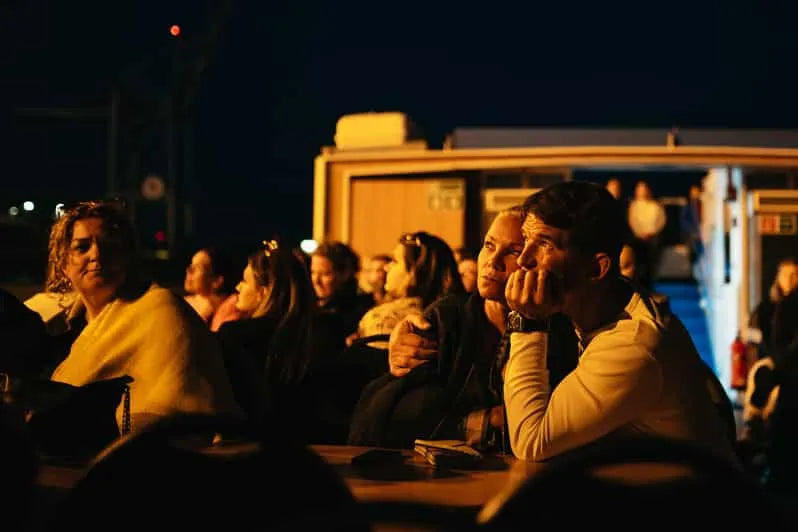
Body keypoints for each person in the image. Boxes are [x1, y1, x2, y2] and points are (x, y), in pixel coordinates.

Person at [502, 181, 737, 463]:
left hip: (690, 504)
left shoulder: (633, 344)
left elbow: (531, 441)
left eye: (543, 244)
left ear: (596, 268)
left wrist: (528, 321)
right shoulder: (602, 310)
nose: (523, 260)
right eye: (525, 242)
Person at [348, 208, 578, 449]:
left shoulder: (564, 328)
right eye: (489, 245)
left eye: (513, 251)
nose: (493, 261)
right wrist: (486, 421)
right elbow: (398, 411)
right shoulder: (447, 317)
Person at [46, 200, 240, 433]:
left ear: (127, 255)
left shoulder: (161, 310)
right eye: (82, 247)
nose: (97, 254)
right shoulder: (61, 324)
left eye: (109, 244)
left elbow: (185, 415)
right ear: (64, 264)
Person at [216, 240, 320, 437]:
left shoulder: (235, 336)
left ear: (264, 292)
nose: (238, 287)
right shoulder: (310, 334)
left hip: (244, 444)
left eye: (245, 281)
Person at [353, 232, 463, 343]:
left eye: (395, 261)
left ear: (413, 274)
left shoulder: (385, 320)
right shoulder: (452, 317)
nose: (387, 267)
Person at [311, 241, 374, 353]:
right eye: (313, 272)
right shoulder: (312, 305)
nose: (316, 280)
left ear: (345, 273)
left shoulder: (360, 311)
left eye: (325, 274)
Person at [183, 247, 243, 332]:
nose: (189, 270)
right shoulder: (185, 303)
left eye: (198, 267)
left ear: (217, 281)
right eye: (191, 265)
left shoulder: (231, 310)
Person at [627, 180, 666, 289]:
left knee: (651, 265)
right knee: (639, 265)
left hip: (653, 239)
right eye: (640, 190)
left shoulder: (655, 206)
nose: (642, 192)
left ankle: (650, 286)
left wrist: (652, 232)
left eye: (644, 189)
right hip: (638, 239)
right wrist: (640, 233)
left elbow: (661, 221)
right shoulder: (633, 206)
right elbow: (633, 221)